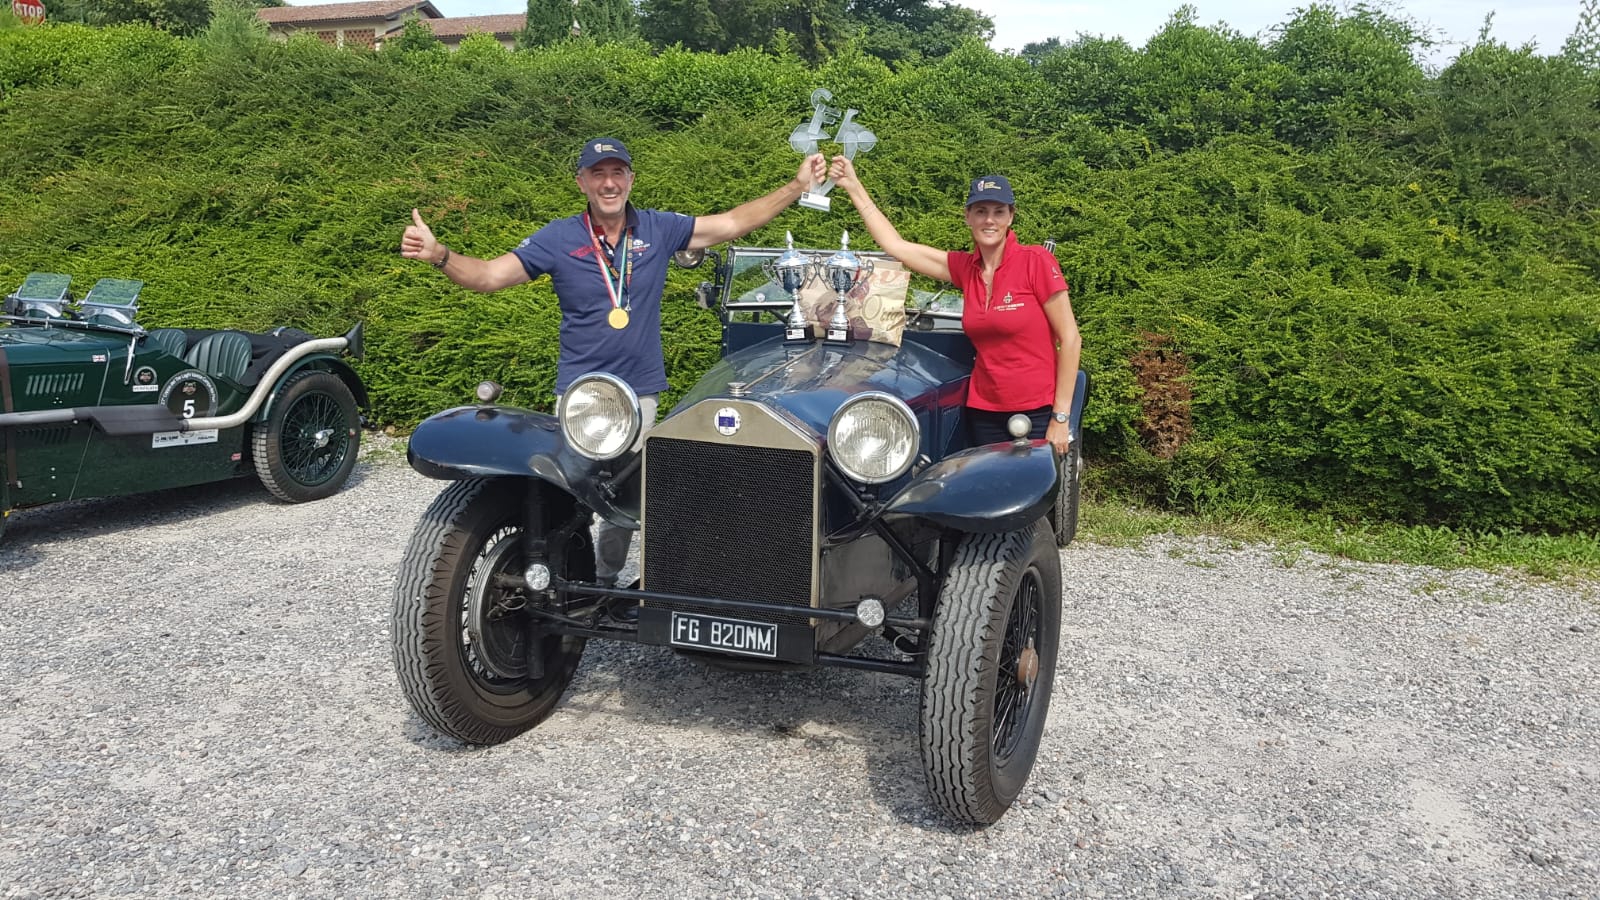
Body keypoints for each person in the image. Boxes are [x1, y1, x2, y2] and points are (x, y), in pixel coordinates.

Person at [403, 137, 826, 589]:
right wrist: (442, 255)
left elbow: (733, 223)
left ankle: (604, 584)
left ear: (630, 179)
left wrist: (795, 187)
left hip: (639, 391)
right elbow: (488, 276)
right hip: (582, 394)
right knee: (571, 489)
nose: (609, 183)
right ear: (582, 181)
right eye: (598, 174)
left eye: (617, 173)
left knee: (627, 498)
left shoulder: (659, 229)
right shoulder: (558, 237)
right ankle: (562, 575)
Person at [829, 157, 1081, 453]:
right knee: (984, 496)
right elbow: (896, 246)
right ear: (968, 217)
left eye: (999, 212)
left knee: (1034, 497)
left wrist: (1060, 417)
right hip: (984, 411)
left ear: (1011, 217)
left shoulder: (1035, 261)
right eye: (981, 211)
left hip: (1036, 412)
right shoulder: (964, 268)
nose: (990, 220)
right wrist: (853, 186)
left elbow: (1071, 338)